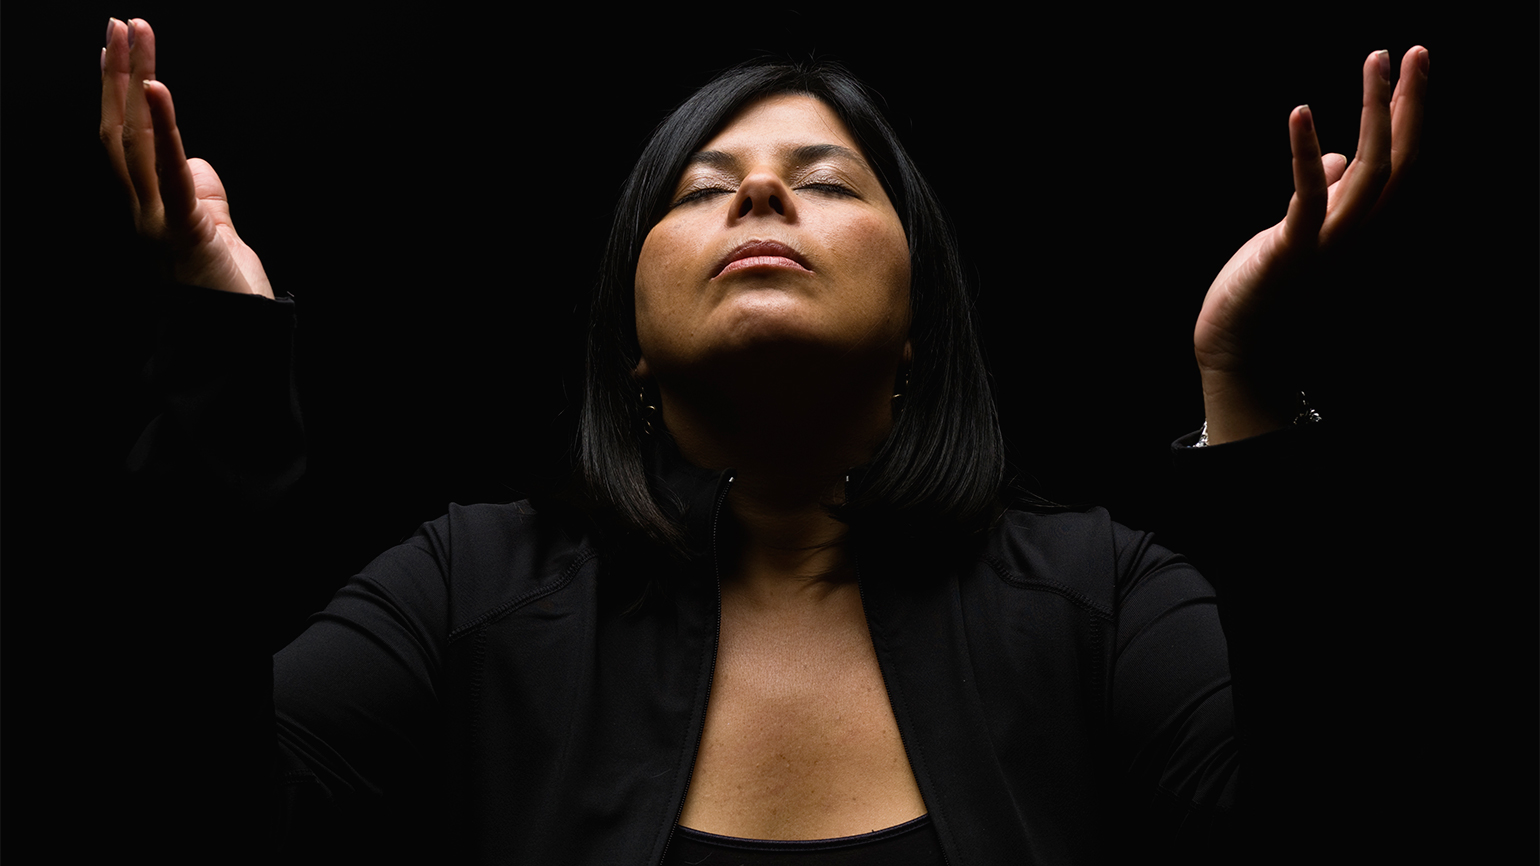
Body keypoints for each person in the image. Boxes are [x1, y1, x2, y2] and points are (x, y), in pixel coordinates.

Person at [100, 17, 1430, 863]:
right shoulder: (467, 589)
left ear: (918, 323)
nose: (756, 194)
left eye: (828, 180)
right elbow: (185, 805)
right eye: (698, 189)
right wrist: (222, 350)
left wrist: (1247, 384)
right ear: (632, 336)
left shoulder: (1105, 595)